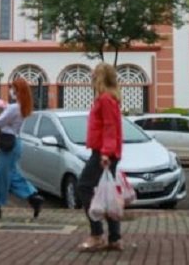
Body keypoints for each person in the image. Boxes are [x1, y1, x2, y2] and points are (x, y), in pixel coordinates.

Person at [0, 77, 44, 220]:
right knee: (6, 175)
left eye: (13, 87)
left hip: (9, 144)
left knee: (2, 177)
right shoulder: (22, 106)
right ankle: (32, 197)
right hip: (13, 143)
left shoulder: (14, 107)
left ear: (17, 90)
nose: (10, 90)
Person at [77, 62, 124, 252]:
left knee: (84, 187)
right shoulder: (107, 98)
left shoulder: (105, 99)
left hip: (104, 152)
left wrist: (105, 152)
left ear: (100, 77)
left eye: (93, 74)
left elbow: (110, 127)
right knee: (107, 194)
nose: (91, 77)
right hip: (107, 151)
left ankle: (97, 235)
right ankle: (114, 238)